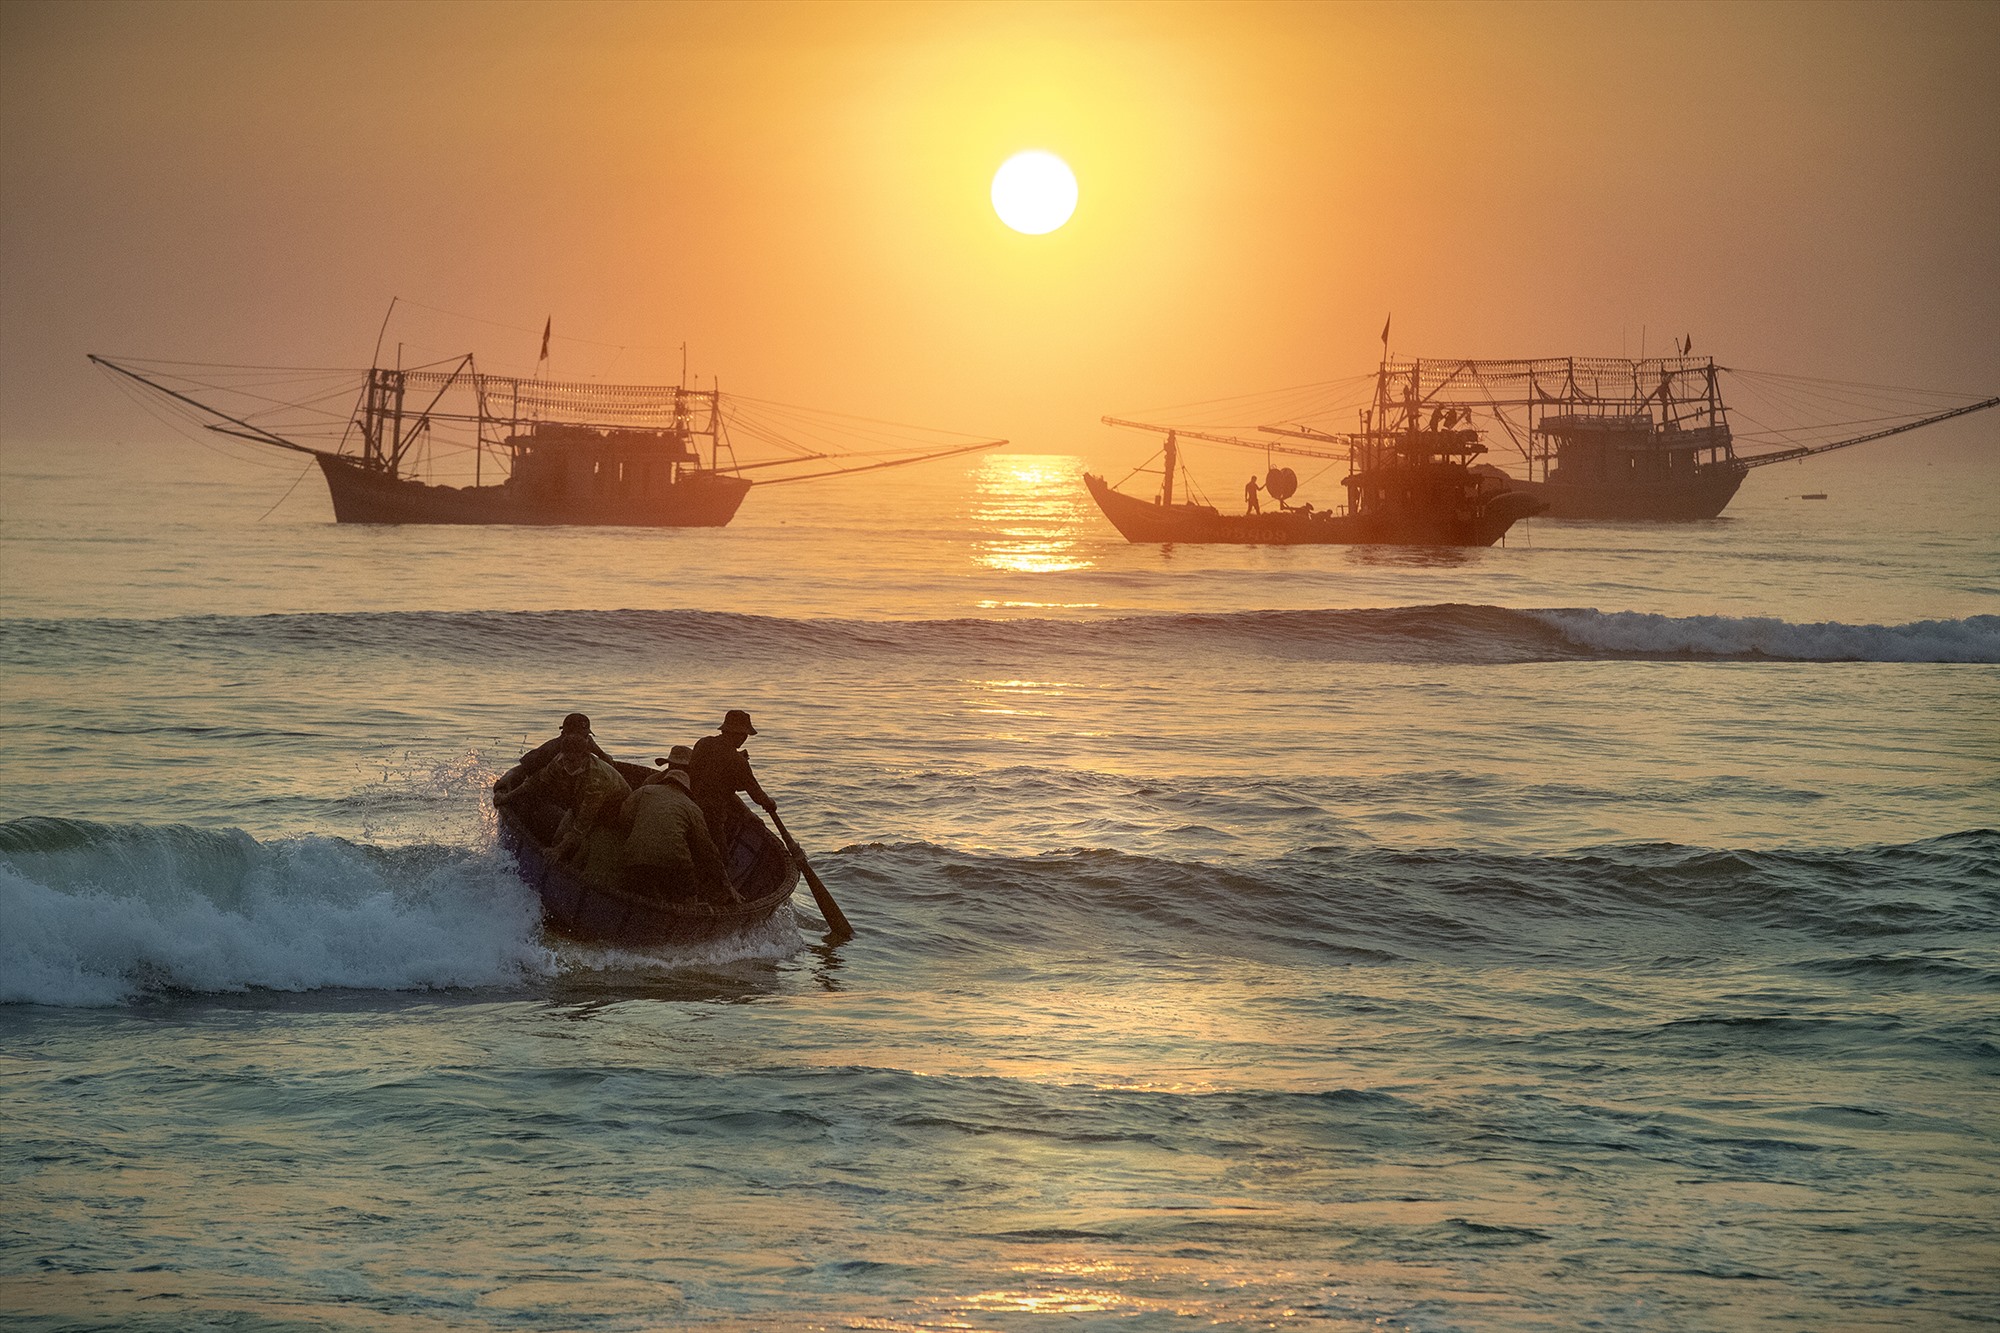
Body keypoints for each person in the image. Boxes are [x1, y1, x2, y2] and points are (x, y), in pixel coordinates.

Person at [618, 747, 734, 903]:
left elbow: (624, 818)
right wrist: (725, 883)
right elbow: (706, 847)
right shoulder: (691, 806)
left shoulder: (645, 789)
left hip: (635, 861)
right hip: (673, 865)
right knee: (689, 891)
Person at [494, 730, 629, 855]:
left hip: (614, 811)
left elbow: (583, 821)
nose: (568, 764)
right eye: (565, 759)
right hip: (580, 804)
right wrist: (506, 797)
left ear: (584, 757)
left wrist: (559, 851)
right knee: (558, 838)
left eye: (573, 761)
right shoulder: (560, 761)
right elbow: (535, 782)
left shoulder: (596, 779)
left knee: (585, 848)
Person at [688, 709, 776, 846]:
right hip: (712, 814)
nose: (745, 738)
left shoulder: (703, 743)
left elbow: (708, 767)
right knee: (719, 854)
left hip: (689, 804)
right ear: (739, 734)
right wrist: (770, 803)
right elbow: (756, 794)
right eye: (744, 735)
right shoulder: (737, 762)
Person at [511, 712, 615, 781]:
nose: (584, 739)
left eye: (585, 735)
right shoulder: (552, 749)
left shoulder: (587, 741)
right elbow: (524, 769)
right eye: (579, 735)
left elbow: (605, 757)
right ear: (565, 734)